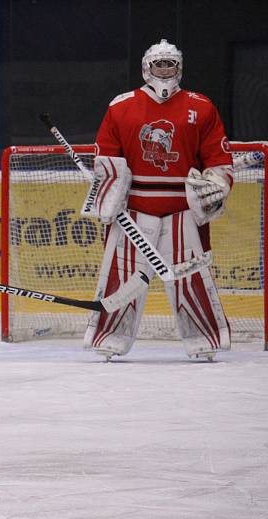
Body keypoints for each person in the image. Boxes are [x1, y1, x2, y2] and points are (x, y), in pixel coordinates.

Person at [84, 39, 233, 361]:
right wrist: (109, 192)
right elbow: (106, 159)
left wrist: (218, 182)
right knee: (122, 277)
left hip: (183, 210)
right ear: (145, 68)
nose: (164, 70)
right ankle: (109, 339)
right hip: (134, 209)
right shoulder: (121, 106)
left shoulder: (201, 106)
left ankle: (203, 341)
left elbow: (218, 158)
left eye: (170, 64)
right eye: (158, 64)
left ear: (179, 68)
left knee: (190, 276)